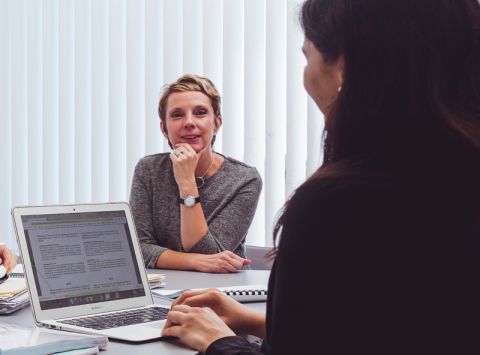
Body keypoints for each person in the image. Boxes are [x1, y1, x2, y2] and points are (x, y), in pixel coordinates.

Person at [161, 0, 480, 353]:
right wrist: (252, 320)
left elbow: (205, 250)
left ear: (342, 67)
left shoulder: (335, 202)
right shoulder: (454, 177)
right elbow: (396, 328)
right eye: (177, 115)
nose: (189, 123)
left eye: (307, 57)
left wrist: (217, 340)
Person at [130, 74, 262, 273]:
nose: (189, 122)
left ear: (216, 124)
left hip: (222, 292)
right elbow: (138, 248)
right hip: (166, 290)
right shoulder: (148, 170)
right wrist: (195, 262)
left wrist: (186, 182)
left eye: (200, 113)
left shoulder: (244, 179)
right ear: (164, 128)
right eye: (177, 115)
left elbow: (212, 253)